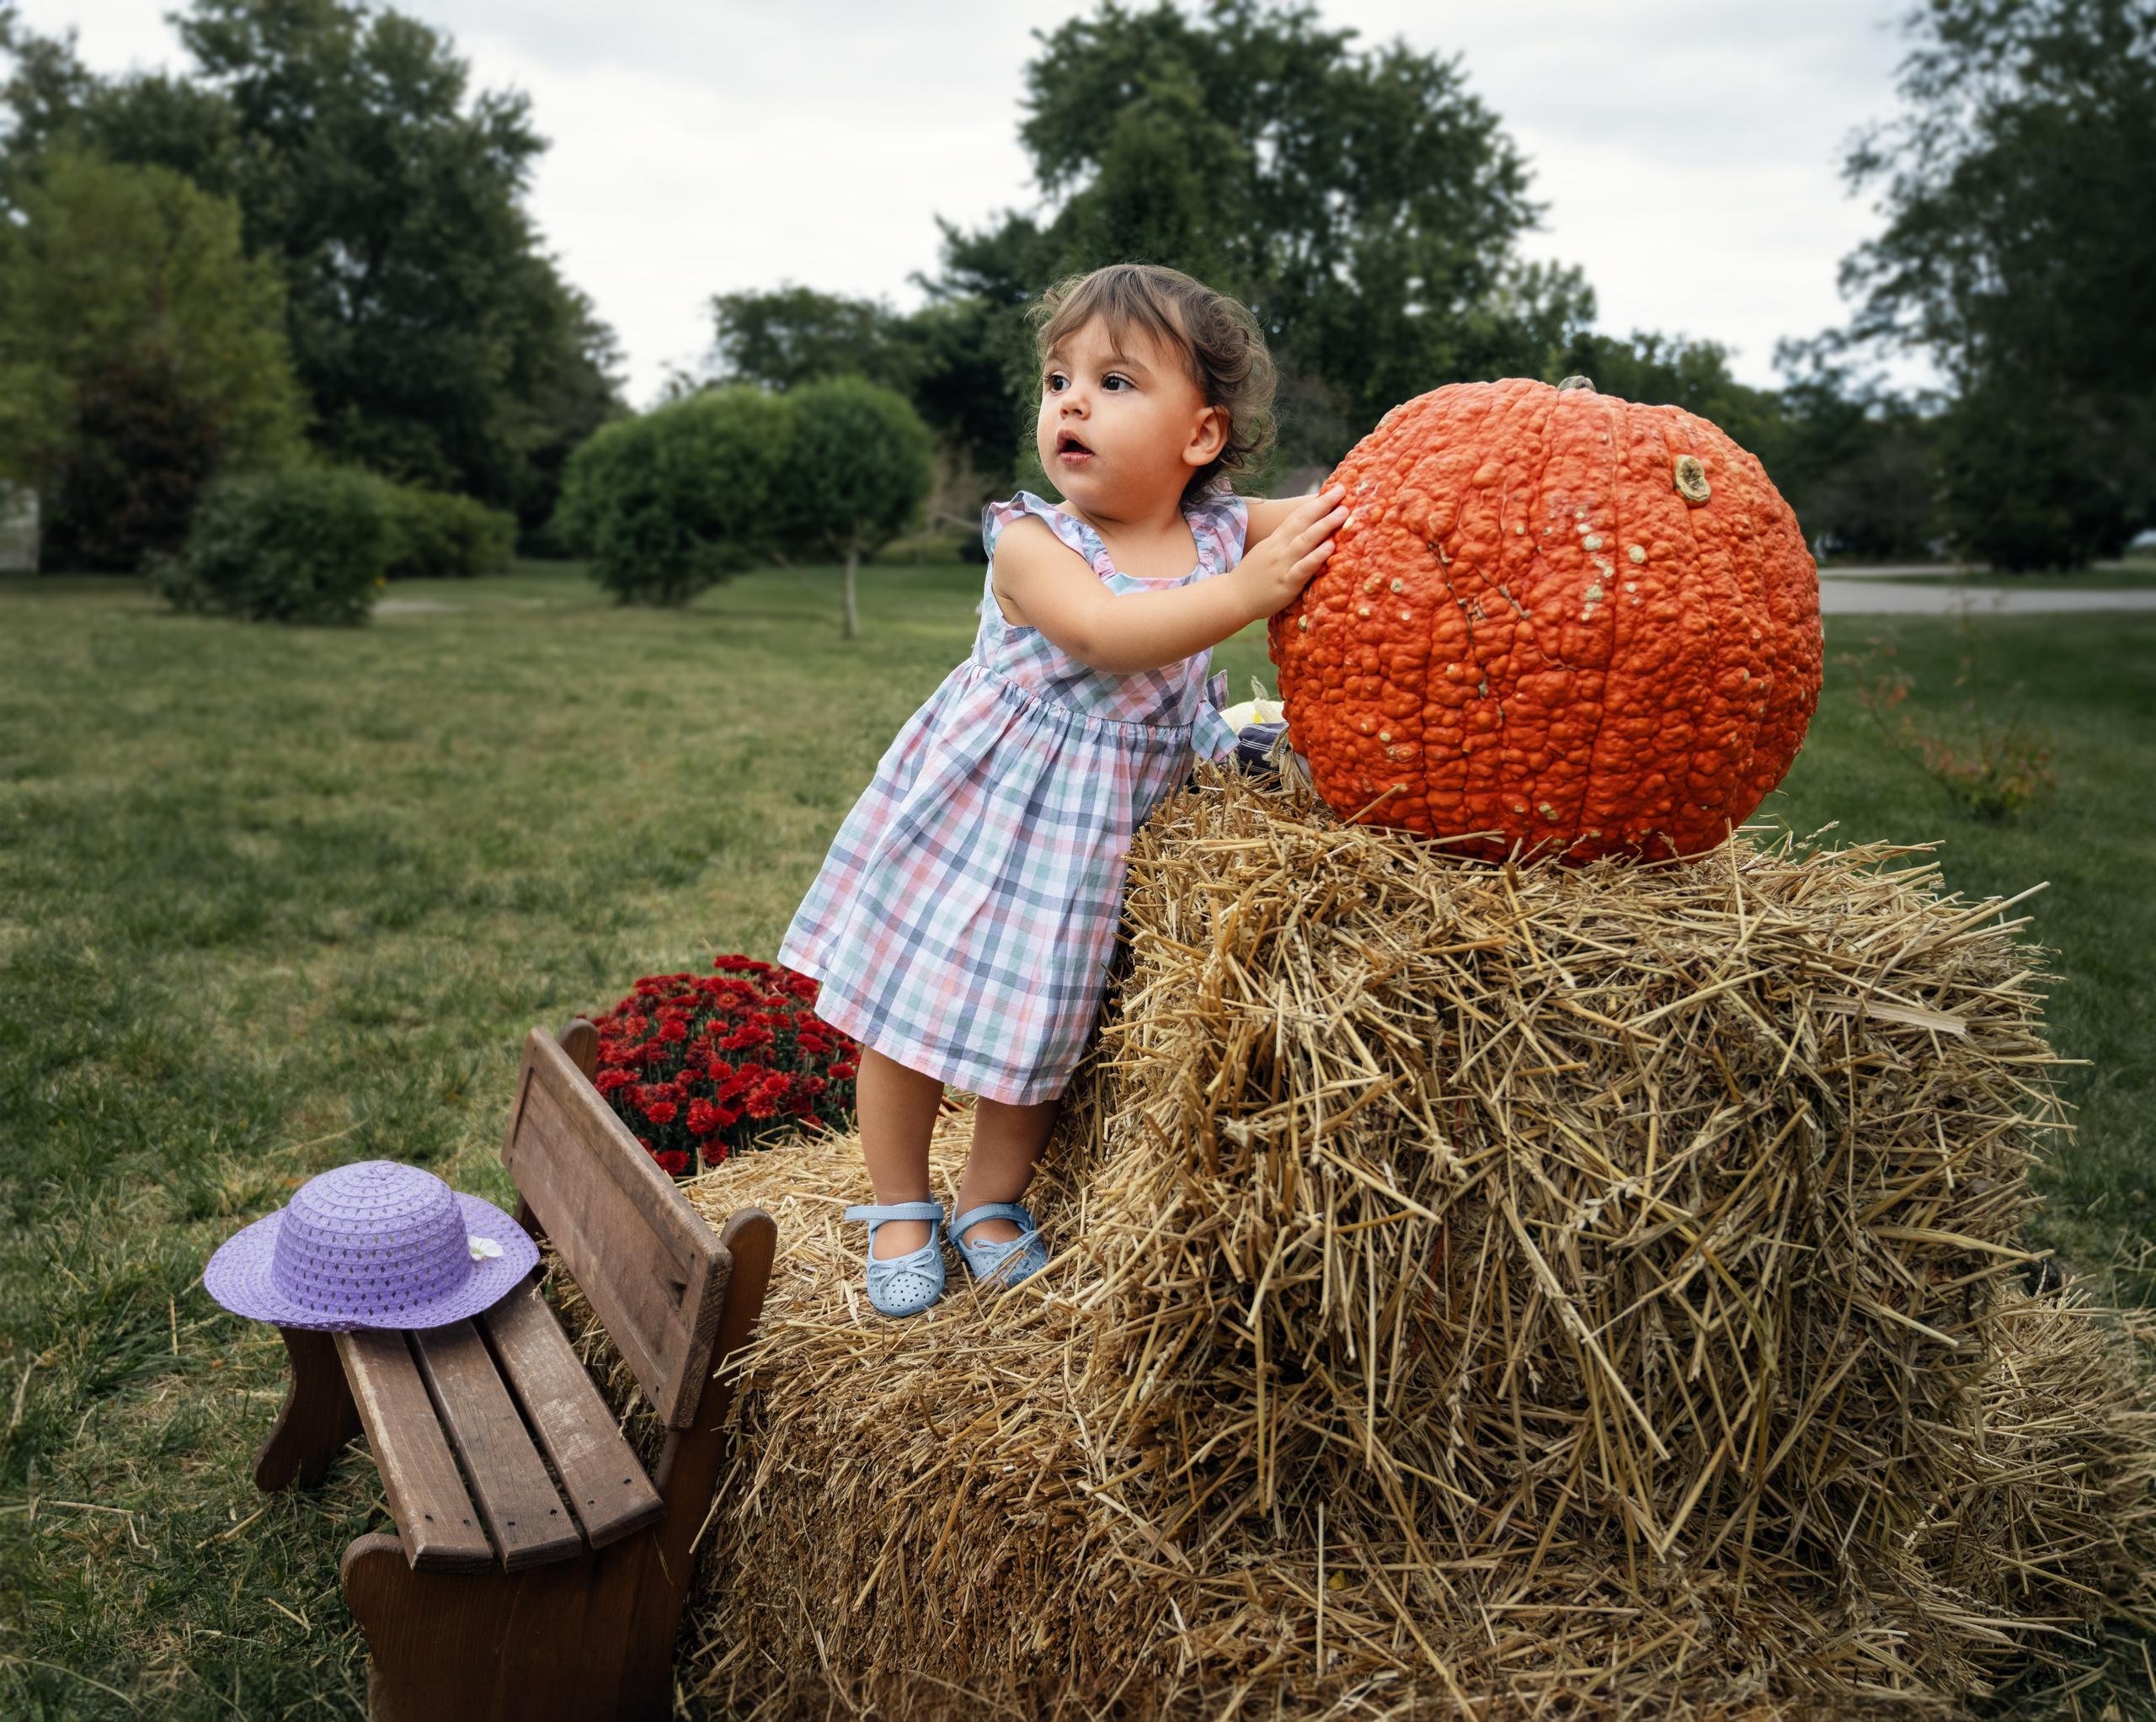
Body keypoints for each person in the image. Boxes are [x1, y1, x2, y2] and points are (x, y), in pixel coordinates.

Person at [779, 263, 1348, 1316]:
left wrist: (1501, 444)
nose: (1071, 401)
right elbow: (1107, 634)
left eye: (1116, 381)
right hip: (983, 813)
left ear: (1203, 436)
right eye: (1056, 379)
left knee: (1044, 1030)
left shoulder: (1223, 528)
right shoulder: (1033, 540)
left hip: (1097, 837)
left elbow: (1348, 506)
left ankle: (990, 1202)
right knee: (906, 1020)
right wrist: (1245, 597)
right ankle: (900, 1202)